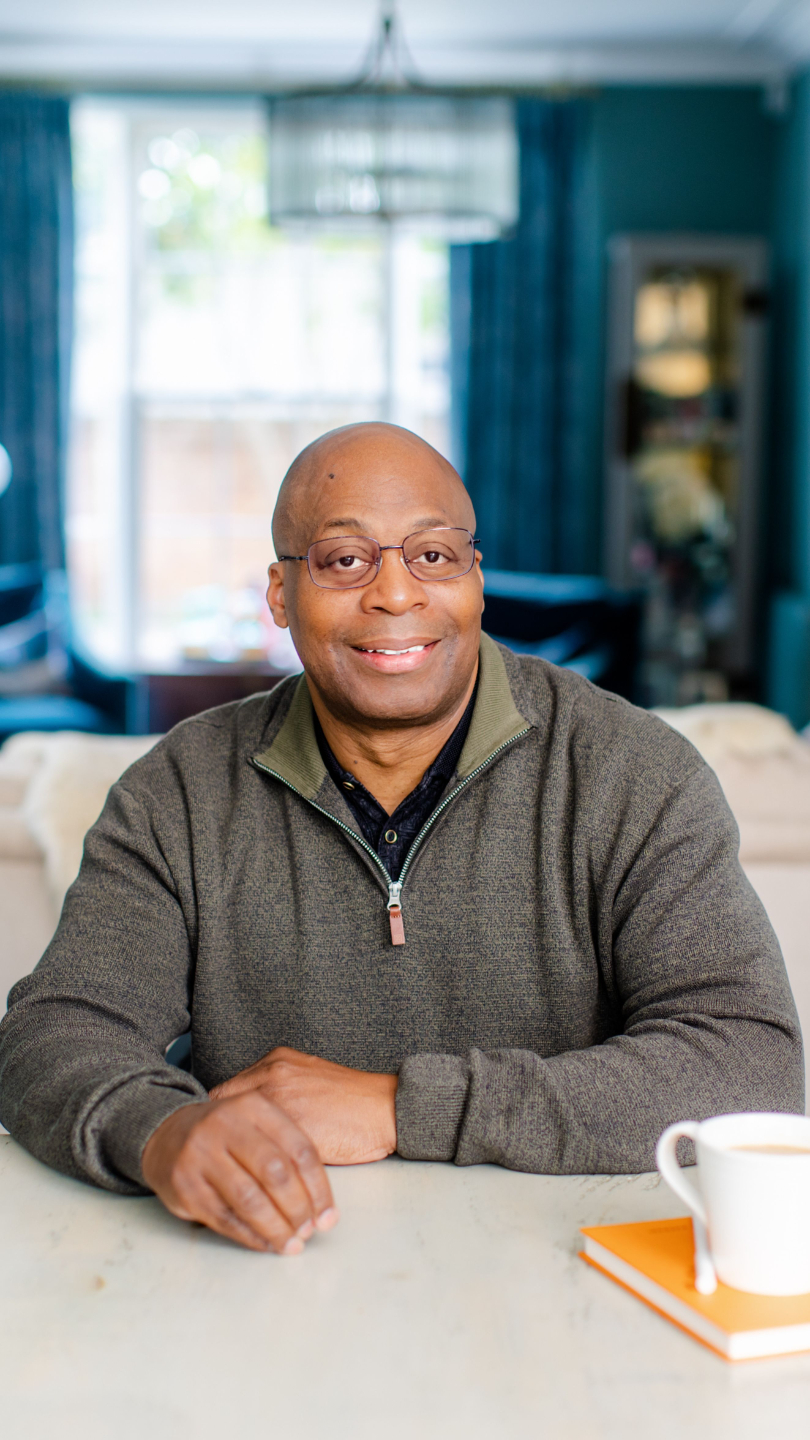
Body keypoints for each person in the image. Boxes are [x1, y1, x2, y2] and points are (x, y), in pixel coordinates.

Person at [0, 423, 802, 1256]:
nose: (393, 595)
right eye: (345, 560)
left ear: (477, 580)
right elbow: (53, 1035)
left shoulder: (633, 774)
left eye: (432, 556)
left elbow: (752, 1066)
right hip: (264, 1270)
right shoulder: (180, 790)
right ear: (280, 595)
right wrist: (159, 1130)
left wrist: (398, 1105)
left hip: (564, 1270)